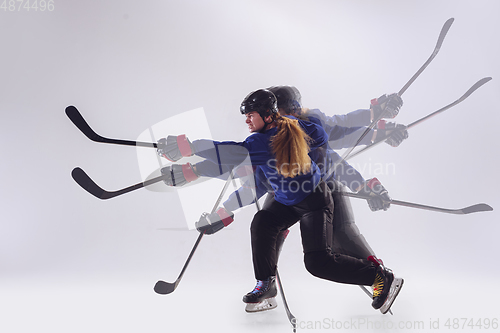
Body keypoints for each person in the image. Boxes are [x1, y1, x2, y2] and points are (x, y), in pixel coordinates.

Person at [156, 89, 403, 315]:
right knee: (263, 222)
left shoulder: (266, 140)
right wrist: (214, 197)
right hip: (285, 200)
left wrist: (188, 147)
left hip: (314, 200)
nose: (246, 121)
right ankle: (266, 283)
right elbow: (246, 173)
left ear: (268, 114)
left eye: (250, 115)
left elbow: (231, 154)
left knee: (318, 262)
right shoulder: (291, 127)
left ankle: (379, 276)